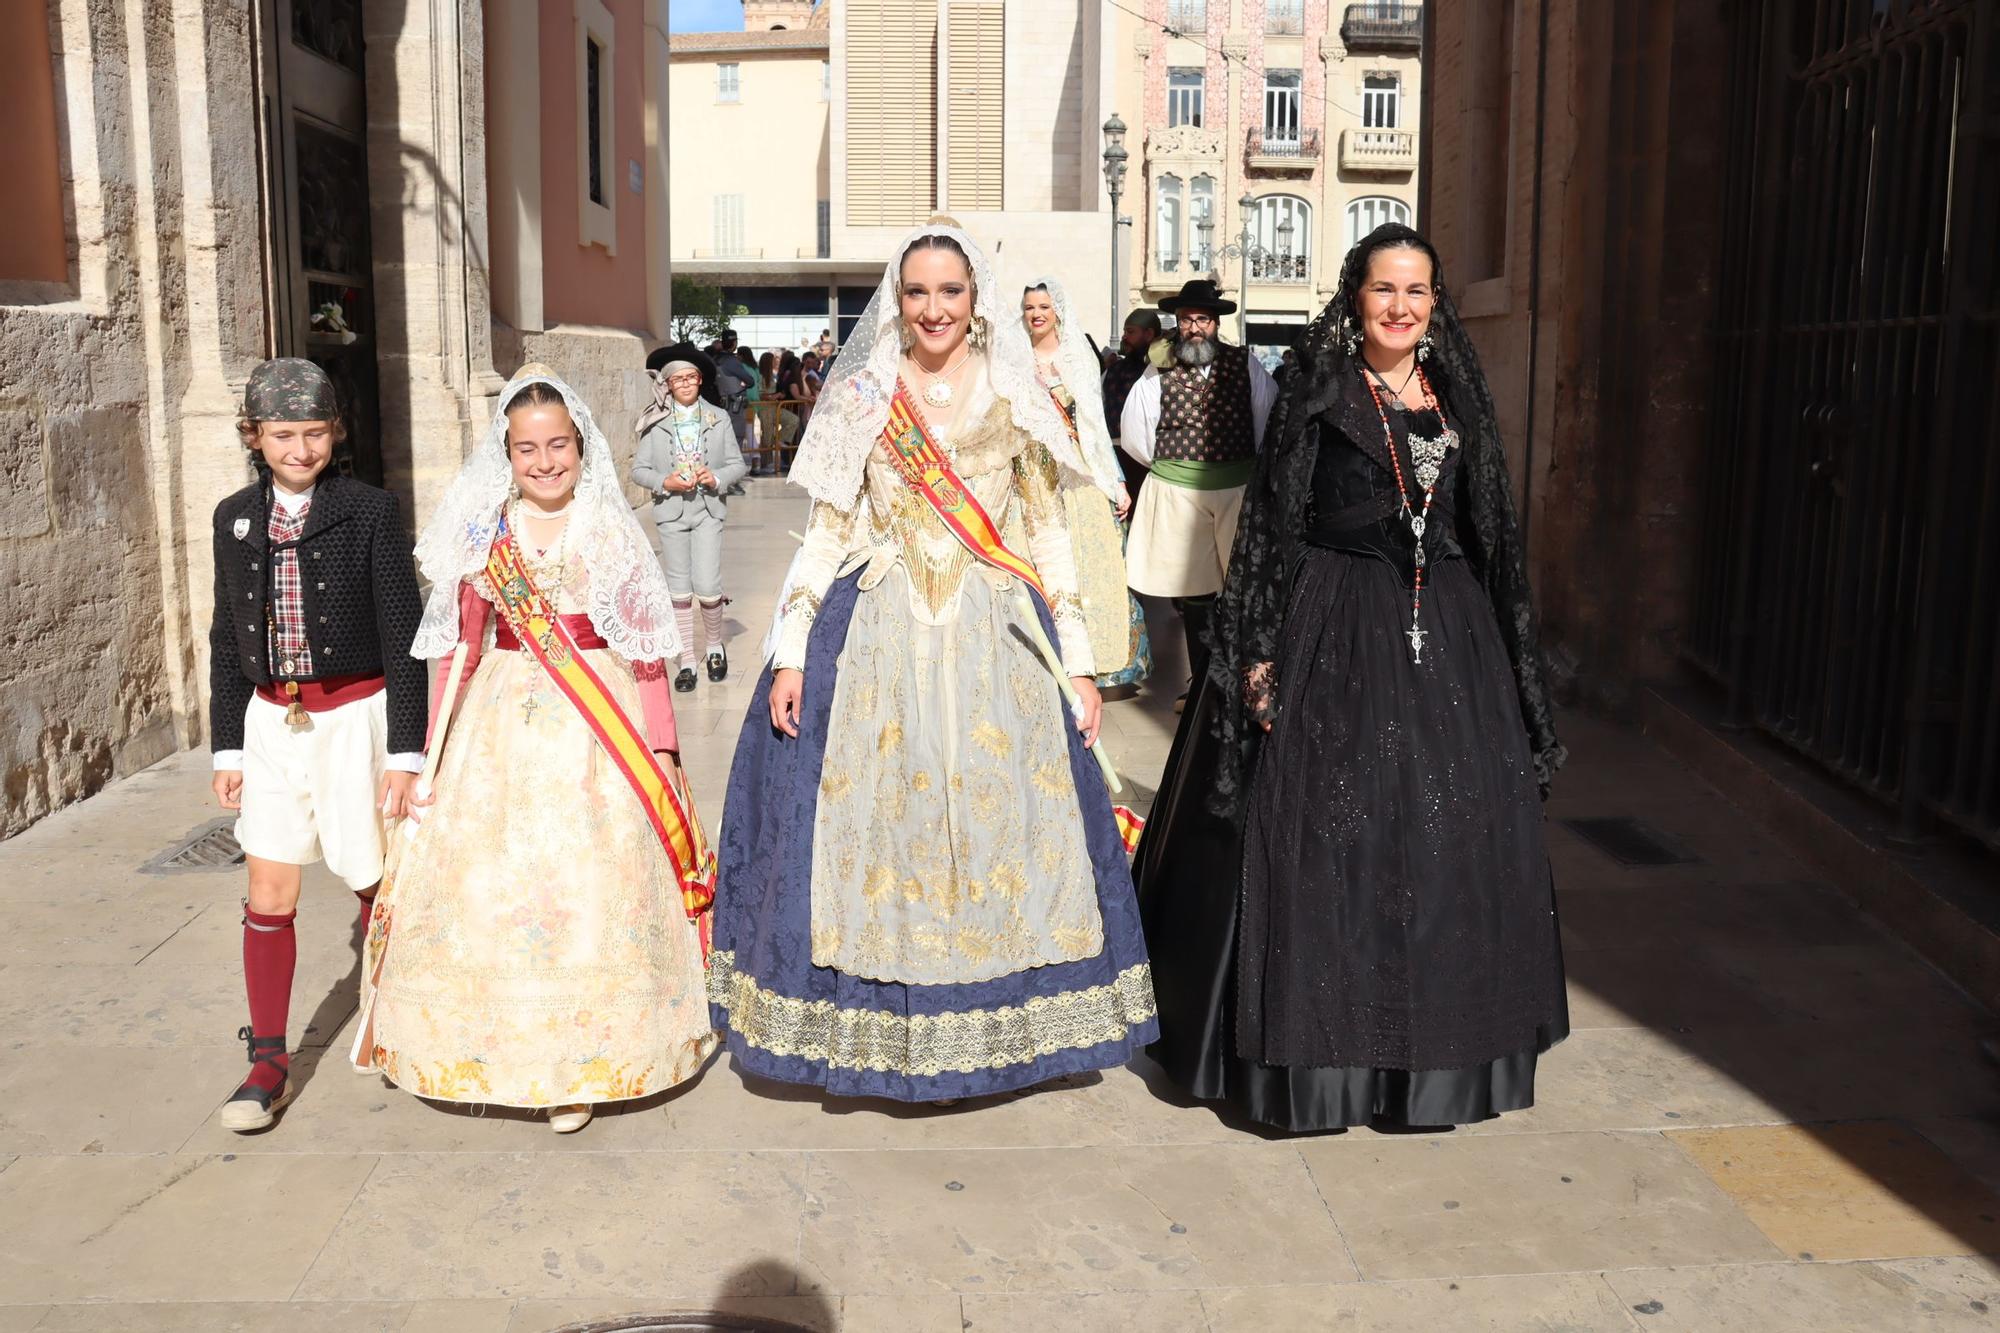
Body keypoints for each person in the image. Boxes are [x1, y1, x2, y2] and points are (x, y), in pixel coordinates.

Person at [708, 219, 1155, 1102]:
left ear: (975, 299)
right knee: (874, 830)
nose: (934, 308)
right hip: (877, 632)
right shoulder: (865, 395)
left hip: (996, 629)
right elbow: (827, 532)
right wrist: (791, 651)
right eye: (917, 292)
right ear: (898, 300)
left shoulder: (1015, 395)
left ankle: (1009, 1026)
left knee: (1007, 828)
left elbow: (1050, 536)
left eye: (950, 291)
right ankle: (880, 1024)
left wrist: (1079, 661)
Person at [1135, 224, 1569, 1133]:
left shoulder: (1457, 395)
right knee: (1329, 835)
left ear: (1435, 301)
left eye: (1417, 290)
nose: (1401, 307)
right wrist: (1256, 649)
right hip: (1330, 622)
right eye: (1384, 290)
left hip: (1445, 629)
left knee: (1441, 836)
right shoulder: (1318, 390)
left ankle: (1423, 1067)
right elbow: (1273, 522)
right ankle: (1323, 1070)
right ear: (1356, 296)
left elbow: (1486, 522)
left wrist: (1511, 665)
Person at [352, 366, 719, 1134]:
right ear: (506, 453)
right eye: (528, 449)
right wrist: (430, 749)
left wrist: (664, 748)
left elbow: (648, 650)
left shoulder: (610, 525)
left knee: (590, 878)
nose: (546, 461)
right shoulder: (486, 528)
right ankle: (485, 1045)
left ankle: (578, 1062)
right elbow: (457, 645)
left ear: (582, 447)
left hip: (599, 716)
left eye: (559, 445)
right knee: (492, 877)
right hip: (500, 719)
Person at [207, 358, 428, 1132]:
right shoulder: (234, 516)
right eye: (281, 434)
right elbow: (225, 636)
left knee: (373, 878)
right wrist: (226, 747)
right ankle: (268, 1059)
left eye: (313, 433)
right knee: (268, 890)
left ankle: (391, 1017)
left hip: (354, 721)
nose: (298, 449)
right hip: (271, 724)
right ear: (254, 435)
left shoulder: (370, 511)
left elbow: (406, 640)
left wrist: (406, 750)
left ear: (336, 432)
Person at [1118, 281, 1278, 708]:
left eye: (1202, 319)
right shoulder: (1157, 372)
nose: (1193, 328)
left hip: (1236, 490)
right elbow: (1136, 434)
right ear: (1178, 322)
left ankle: (1242, 679)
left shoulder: (1246, 366)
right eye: (1187, 319)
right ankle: (1201, 683)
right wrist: (1175, 468)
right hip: (1178, 492)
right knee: (1192, 593)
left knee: (1239, 588)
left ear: (1215, 324)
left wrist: (1241, 470)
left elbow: (1265, 421)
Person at [1022, 279, 1152, 699]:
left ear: (1057, 310)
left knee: (1090, 566)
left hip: (1077, 474)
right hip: (1030, 475)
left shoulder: (1077, 356)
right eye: (1029, 307)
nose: (1036, 313)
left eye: (1043, 305)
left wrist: (1116, 481)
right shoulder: (1013, 359)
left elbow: (1094, 424)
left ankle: (1096, 665)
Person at [633, 359, 751, 689]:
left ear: (700, 380)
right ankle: (687, 658)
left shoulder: (718, 418)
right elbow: (638, 470)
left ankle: (714, 647)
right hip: (670, 513)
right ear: (667, 385)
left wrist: (715, 477)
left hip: (708, 511)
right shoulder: (655, 422)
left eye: (690, 378)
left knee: (709, 584)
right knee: (679, 588)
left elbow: (736, 464)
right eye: (677, 380)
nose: (684, 384)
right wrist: (664, 482)